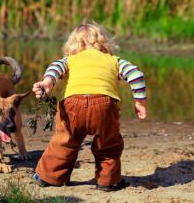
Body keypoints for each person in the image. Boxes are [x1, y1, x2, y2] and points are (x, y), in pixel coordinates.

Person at [32, 21, 146, 191]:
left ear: (73, 45)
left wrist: (47, 82)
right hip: (104, 106)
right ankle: (109, 181)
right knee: (108, 144)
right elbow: (136, 74)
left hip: (73, 105)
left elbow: (55, 67)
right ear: (103, 43)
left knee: (64, 141)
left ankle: (49, 177)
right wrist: (139, 102)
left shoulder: (70, 60)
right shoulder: (113, 60)